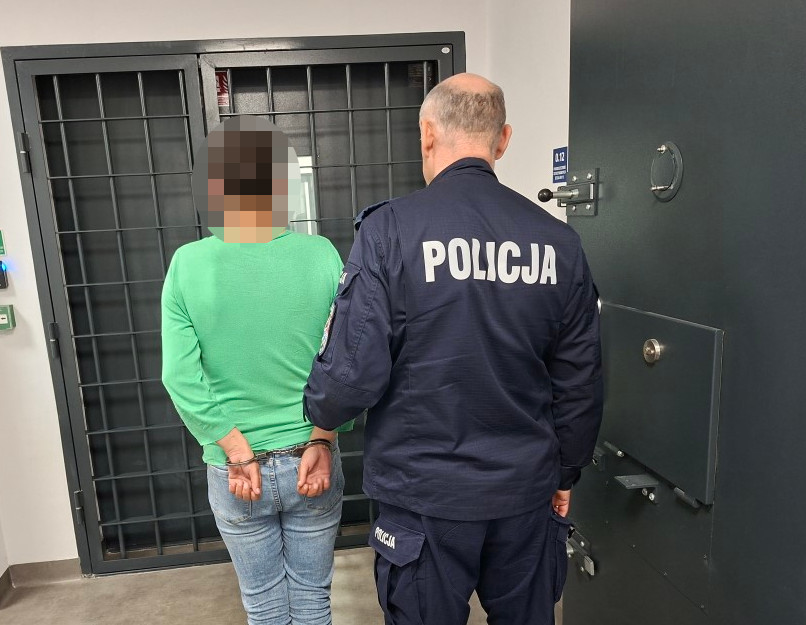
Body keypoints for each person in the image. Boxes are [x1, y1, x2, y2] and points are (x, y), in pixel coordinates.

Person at [303, 73, 603, 625]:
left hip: (424, 497)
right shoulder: (560, 243)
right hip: (524, 491)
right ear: (503, 140)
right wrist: (565, 473)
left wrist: (320, 420)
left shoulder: (389, 231)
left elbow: (349, 376)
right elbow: (580, 381)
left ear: (426, 134)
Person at [161, 116, 352, 625]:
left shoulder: (188, 264)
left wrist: (235, 448)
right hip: (313, 456)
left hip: (236, 470)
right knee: (312, 599)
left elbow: (179, 376)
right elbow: (347, 359)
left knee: (263, 606)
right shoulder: (321, 255)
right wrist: (323, 437)